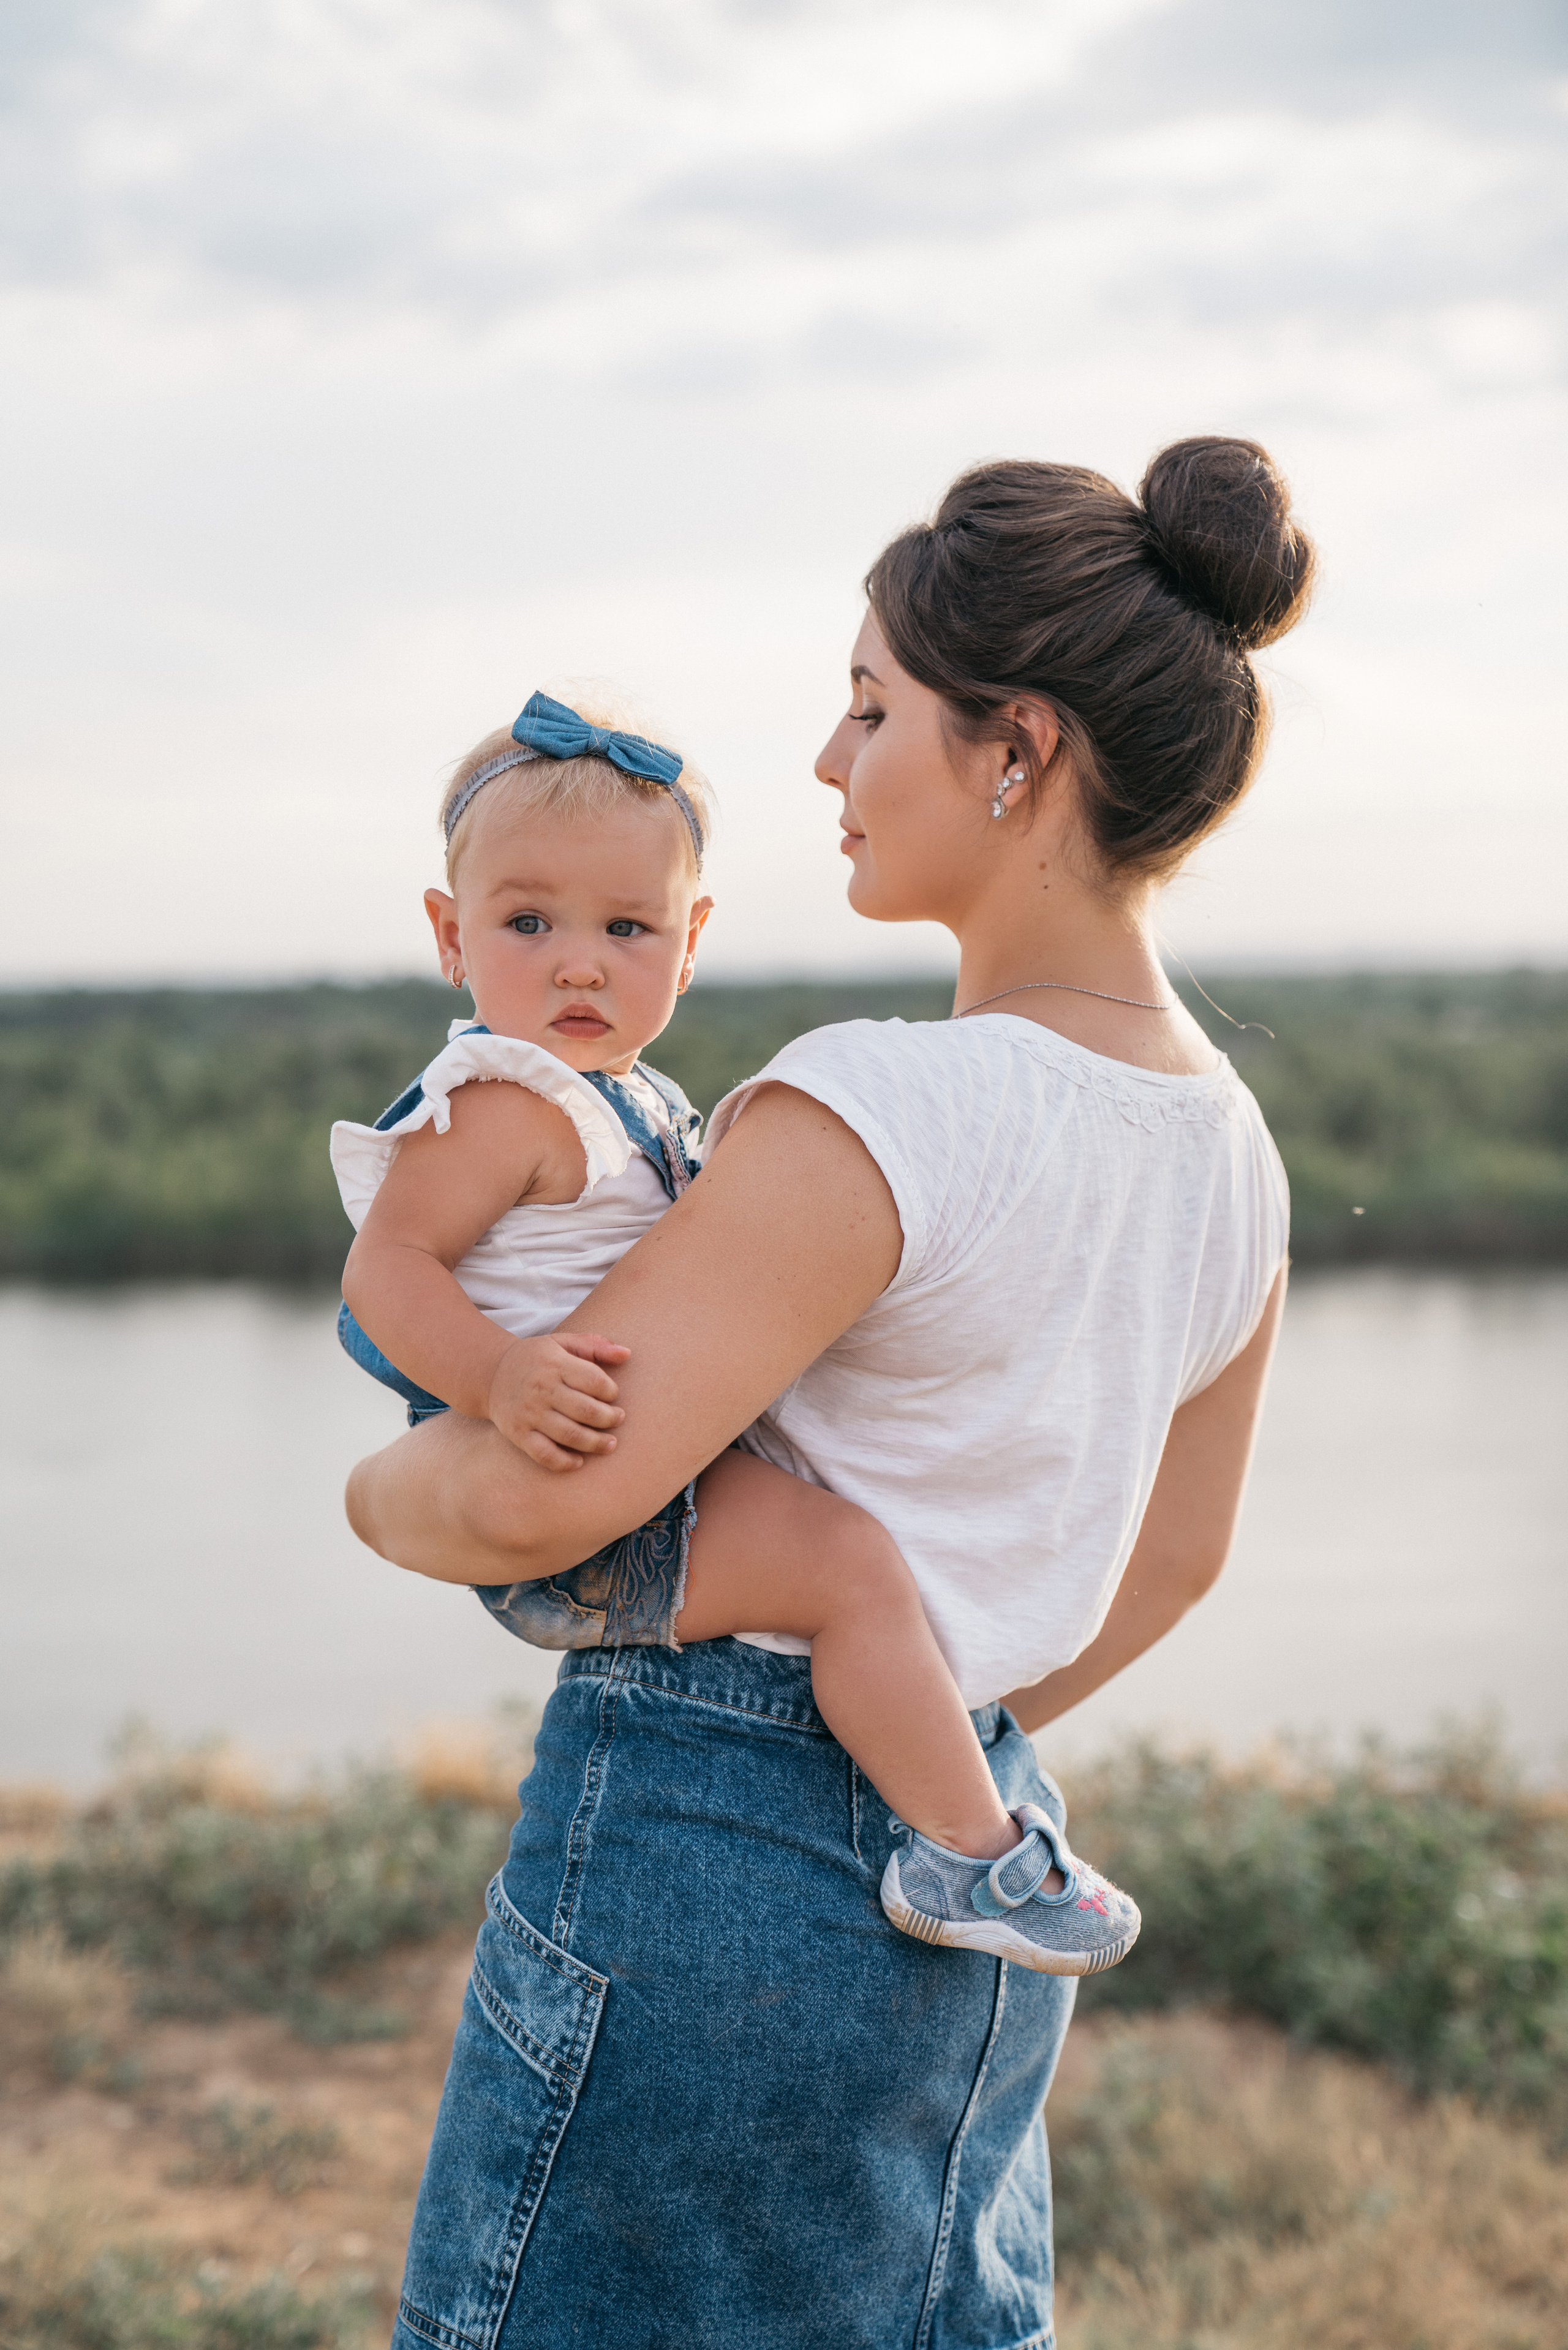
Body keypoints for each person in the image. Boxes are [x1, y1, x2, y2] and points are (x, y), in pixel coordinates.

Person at [345, 435, 1308, 2350]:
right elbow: (1178, 1561)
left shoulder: (867, 1103)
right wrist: (929, 1740)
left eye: (871, 707)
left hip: (717, 1865)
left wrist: (375, 1500)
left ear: (1015, 749)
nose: (827, 762)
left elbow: (545, 1501)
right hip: (985, 1849)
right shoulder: (1237, 1154)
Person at [332, 687, 1136, 1971]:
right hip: (585, 1504)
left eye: (627, 925)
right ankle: (969, 1848)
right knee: (848, 1567)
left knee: (851, 1564)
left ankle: (938, 1795)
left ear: (691, 939)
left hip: (635, 1483)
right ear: (450, 933)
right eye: (526, 921)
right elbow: (386, 1267)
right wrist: (497, 1375)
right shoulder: (502, 1100)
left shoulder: (628, 1098)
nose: (579, 961)